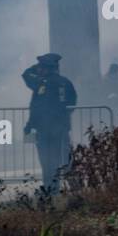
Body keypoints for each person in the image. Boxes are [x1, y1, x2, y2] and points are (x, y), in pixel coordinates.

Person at [21, 52, 77, 193]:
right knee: (65, 159)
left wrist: (29, 126)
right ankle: (75, 187)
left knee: (47, 161)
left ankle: (51, 188)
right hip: (62, 127)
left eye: (41, 67)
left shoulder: (41, 83)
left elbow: (26, 74)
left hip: (44, 129)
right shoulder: (66, 82)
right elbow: (72, 103)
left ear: (45, 68)